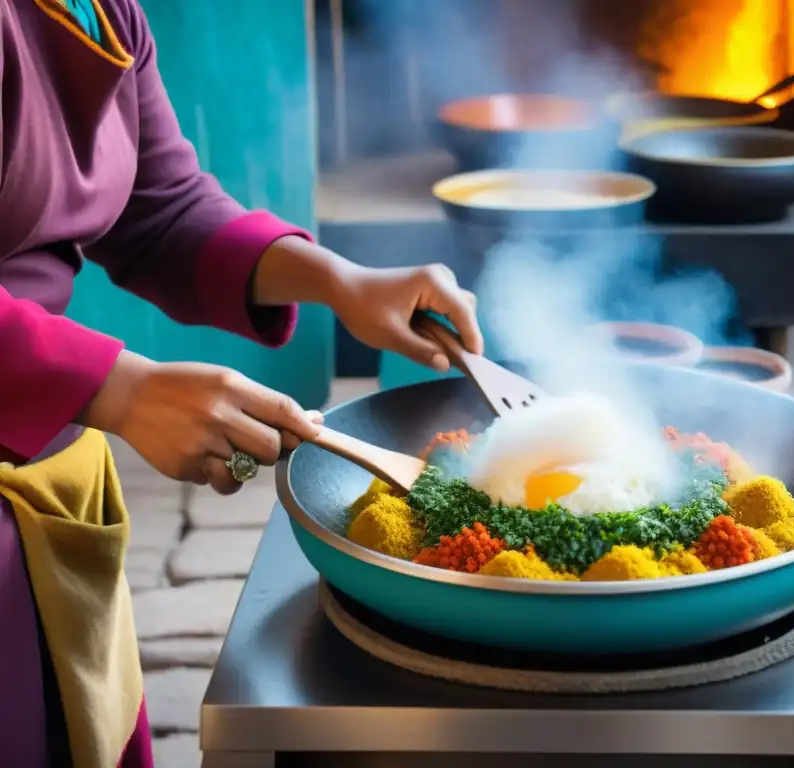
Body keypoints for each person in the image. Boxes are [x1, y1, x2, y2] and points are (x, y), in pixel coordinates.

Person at [0, 0, 484, 764]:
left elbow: (159, 207)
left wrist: (339, 279)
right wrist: (119, 388)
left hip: (44, 470)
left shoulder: (103, 9)